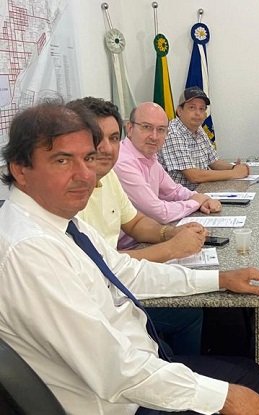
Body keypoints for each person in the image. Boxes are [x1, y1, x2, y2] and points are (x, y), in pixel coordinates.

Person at [0, 101, 259, 414]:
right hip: (120, 402)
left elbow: (127, 272)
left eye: (88, 158)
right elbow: (113, 370)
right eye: (62, 160)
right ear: (20, 169)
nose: (85, 174)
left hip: (137, 367)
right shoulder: (30, 250)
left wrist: (220, 279)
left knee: (248, 372)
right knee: (245, 381)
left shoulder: (60, 221)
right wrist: (224, 398)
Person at [69, 97, 209, 356]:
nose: (106, 148)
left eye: (113, 138)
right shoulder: (71, 194)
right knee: (190, 312)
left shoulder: (110, 174)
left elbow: (135, 221)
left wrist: (171, 232)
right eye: (95, 138)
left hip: (118, 275)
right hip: (103, 298)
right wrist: (171, 247)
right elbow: (102, 265)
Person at [115, 101, 223, 224]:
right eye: (147, 127)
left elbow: (173, 191)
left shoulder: (149, 156)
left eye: (161, 130)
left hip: (149, 230)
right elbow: (159, 213)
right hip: (130, 236)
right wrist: (196, 202)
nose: (154, 136)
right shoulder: (123, 161)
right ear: (130, 129)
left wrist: (201, 198)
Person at [159, 87, 250, 190]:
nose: (198, 113)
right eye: (192, 108)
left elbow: (214, 162)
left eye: (201, 109)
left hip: (200, 191)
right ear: (179, 111)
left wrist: (234, 167)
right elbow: (194, 176)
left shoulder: (199, 129)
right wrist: (234, 173)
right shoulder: (172, 133)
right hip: (178, 197)